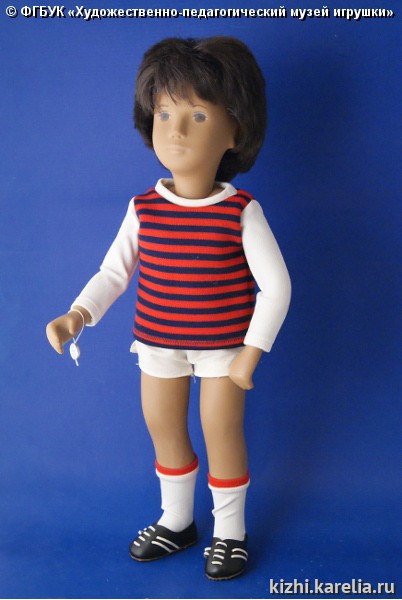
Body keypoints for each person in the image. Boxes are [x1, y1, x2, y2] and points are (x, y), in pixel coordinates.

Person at [46, 37, 291, 581]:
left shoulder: (240, 212)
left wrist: (251, 353)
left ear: (234, 131)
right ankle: (177, 519)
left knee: (220, 431)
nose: (176, 130)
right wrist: (78, 314)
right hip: (158, 342)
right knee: (162, 425)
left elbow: (277, 288)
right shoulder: (144, 209)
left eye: (197, 115)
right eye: (164, 113)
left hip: (224, 349)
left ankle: (230, 532)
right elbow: (113, 273)